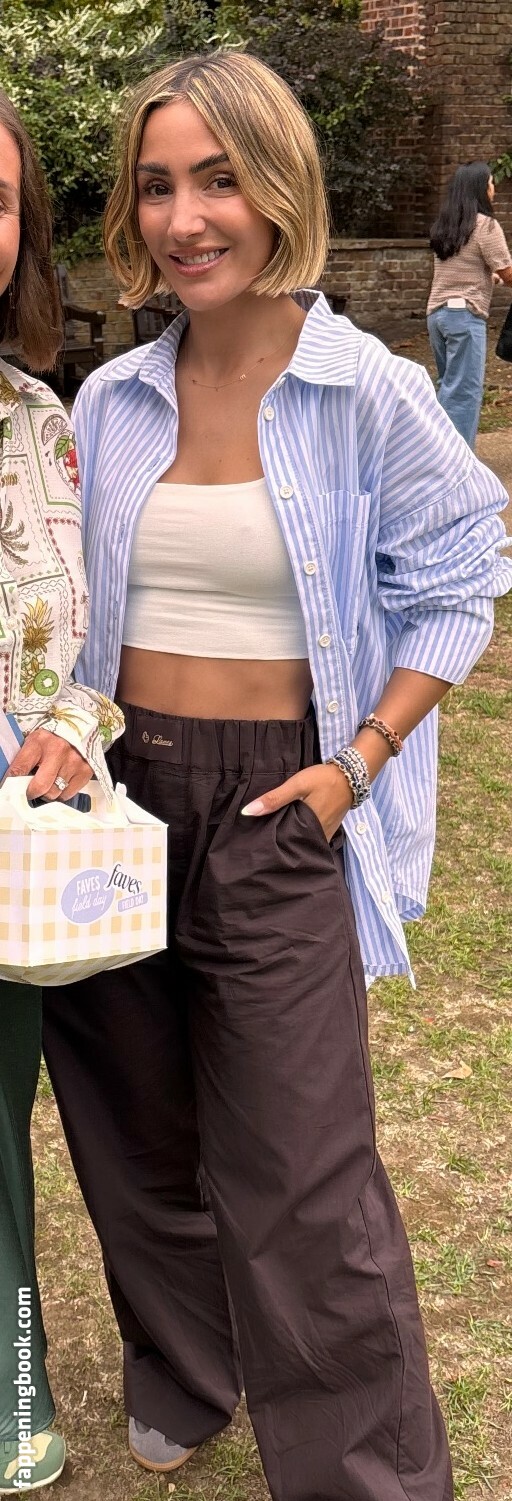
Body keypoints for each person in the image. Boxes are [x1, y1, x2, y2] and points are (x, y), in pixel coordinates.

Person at [42, 53, 512, 1501]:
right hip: (116, 800)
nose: (186, 217)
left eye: (219, 179)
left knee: (305, 1173)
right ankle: (189, 1368)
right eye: (157, 186)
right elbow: (72, 610)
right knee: (132, 1127)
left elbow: (463, 572)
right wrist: (64, 726)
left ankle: (369, 1475)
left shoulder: (366, 391)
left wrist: (357, 761)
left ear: (280, 185)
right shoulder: (110, 399)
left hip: (277, 798)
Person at [0, 90, 123, 1494]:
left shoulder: (46, 421)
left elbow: (87, 646)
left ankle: (8, 1376)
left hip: (12, 843)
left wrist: (74, 730)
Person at [427, 160, 512, 446]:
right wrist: (501, 276)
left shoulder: (447, 225)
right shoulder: (486, 225)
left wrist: (490, 278)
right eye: (490, 184)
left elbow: (463, 269)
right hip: (464, 318)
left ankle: (437, 452)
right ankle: (458, 462)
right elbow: (508, 272)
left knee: (448, 387)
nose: (493, 189)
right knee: (464, 392)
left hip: (437, 316)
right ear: (479, 188)